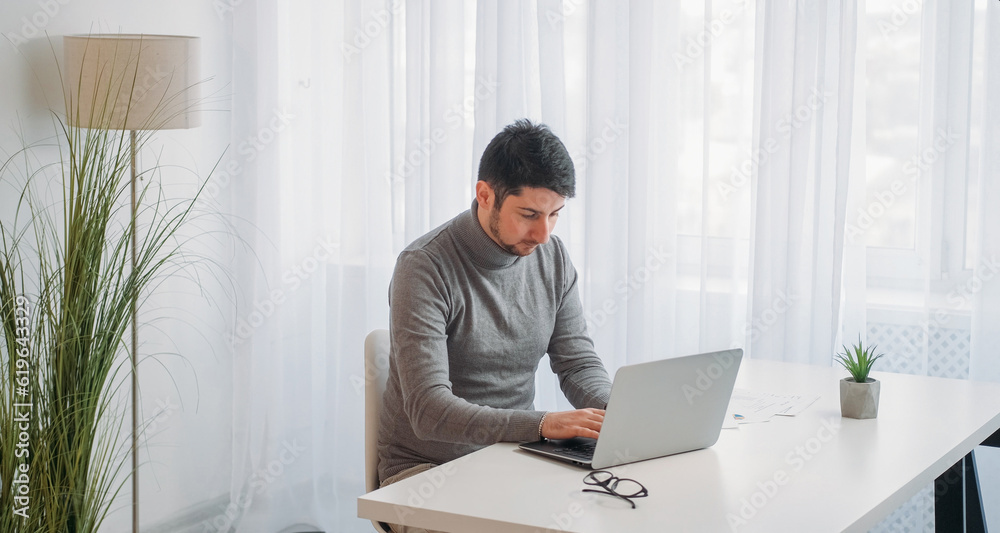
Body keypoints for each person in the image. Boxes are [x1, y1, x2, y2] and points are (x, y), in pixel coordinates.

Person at [376, 119, 612, 533]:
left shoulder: (552, 258)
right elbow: (428, 412)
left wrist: (621, 411)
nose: (543, 234)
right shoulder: (424, 267)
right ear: (485, 195)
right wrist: (541, 425)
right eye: (529, 215)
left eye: (555, 215)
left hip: (513, 458)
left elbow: (577, 364)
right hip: (426, 473)